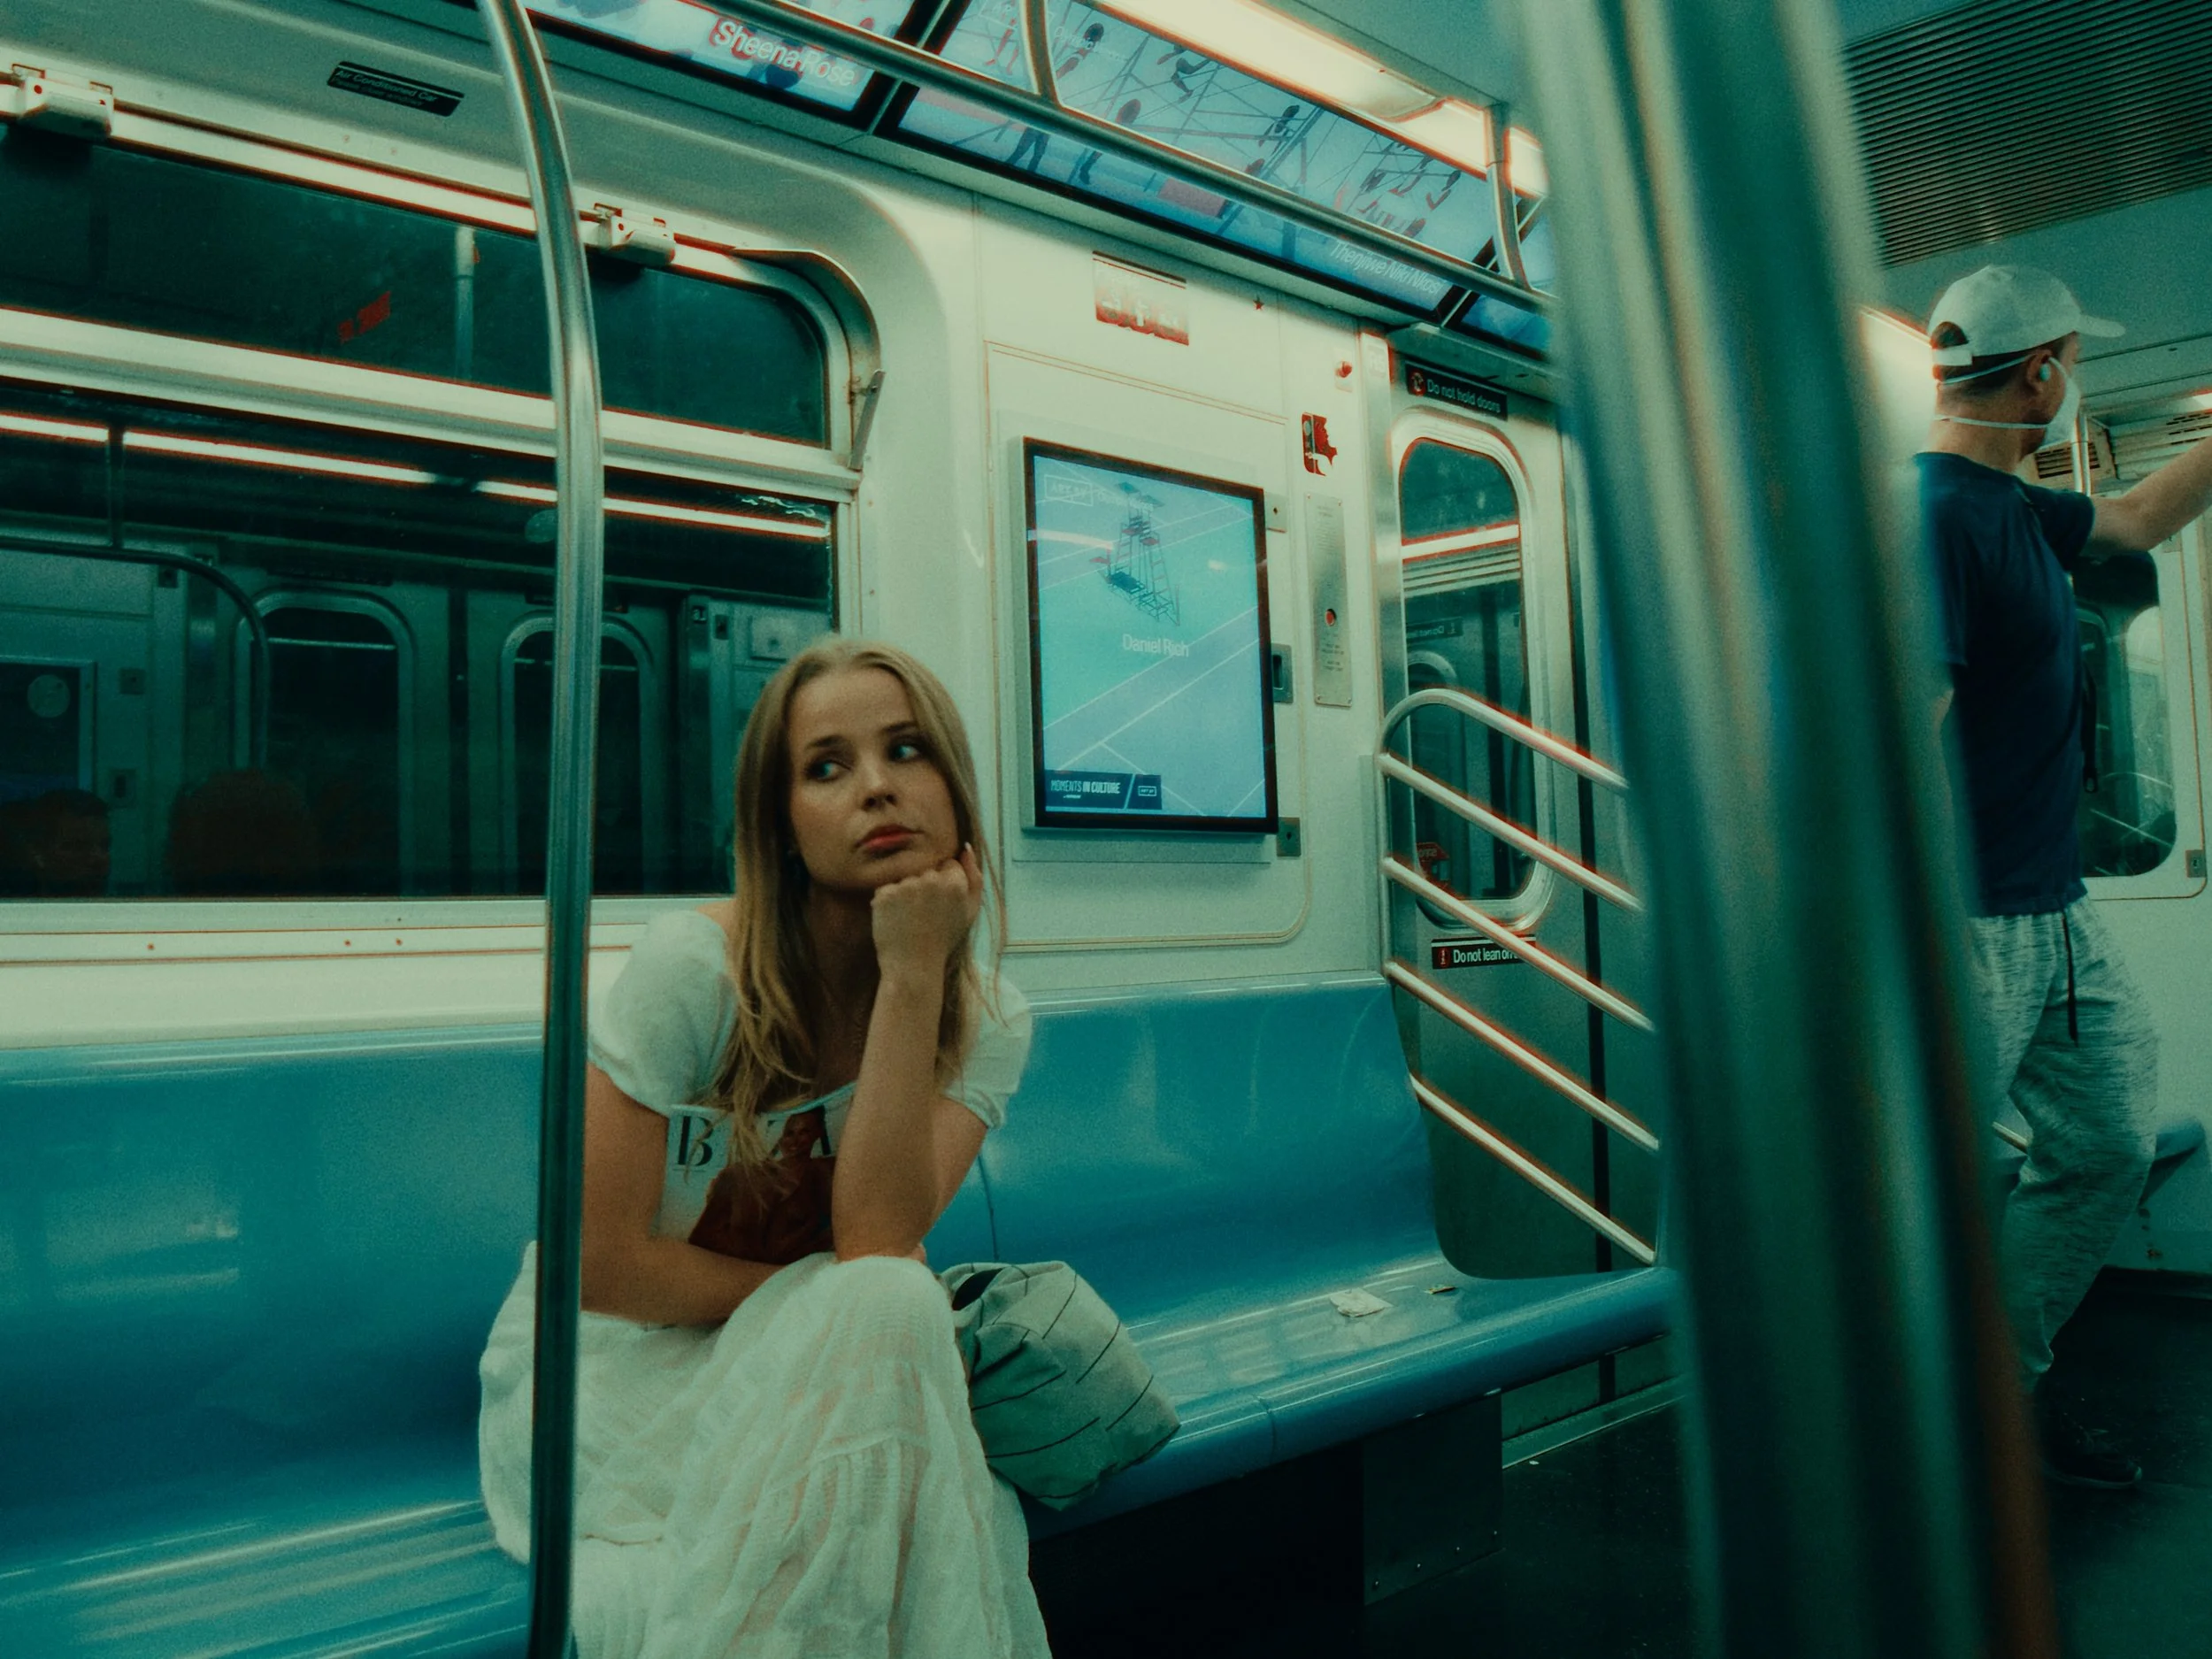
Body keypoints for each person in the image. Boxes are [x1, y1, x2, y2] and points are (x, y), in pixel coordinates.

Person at [476, 637, 1048, 1655]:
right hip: (616, 1378)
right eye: (826, 767)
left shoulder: (985, 1015)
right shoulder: (693, 970)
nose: (876, 789)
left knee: (887, 1303)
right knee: (891, 1317)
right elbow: (597, 1271)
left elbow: (872, 1233)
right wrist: (811, 1298)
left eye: (907, 751)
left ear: (955, 790)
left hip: (822, 1354)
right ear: (781, 826)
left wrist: (913, 978)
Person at [1918, 265, 2212, 1487]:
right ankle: (1897, 1439)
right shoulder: (1932, 514)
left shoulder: (2017, 511)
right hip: (1966, 917)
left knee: (2101, 1136)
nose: (2072, 378)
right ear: (2042, 370)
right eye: (2071, 360)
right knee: (1917, 1186)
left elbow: (2138, 520)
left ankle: (1997, 1390)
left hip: (2053, 905)